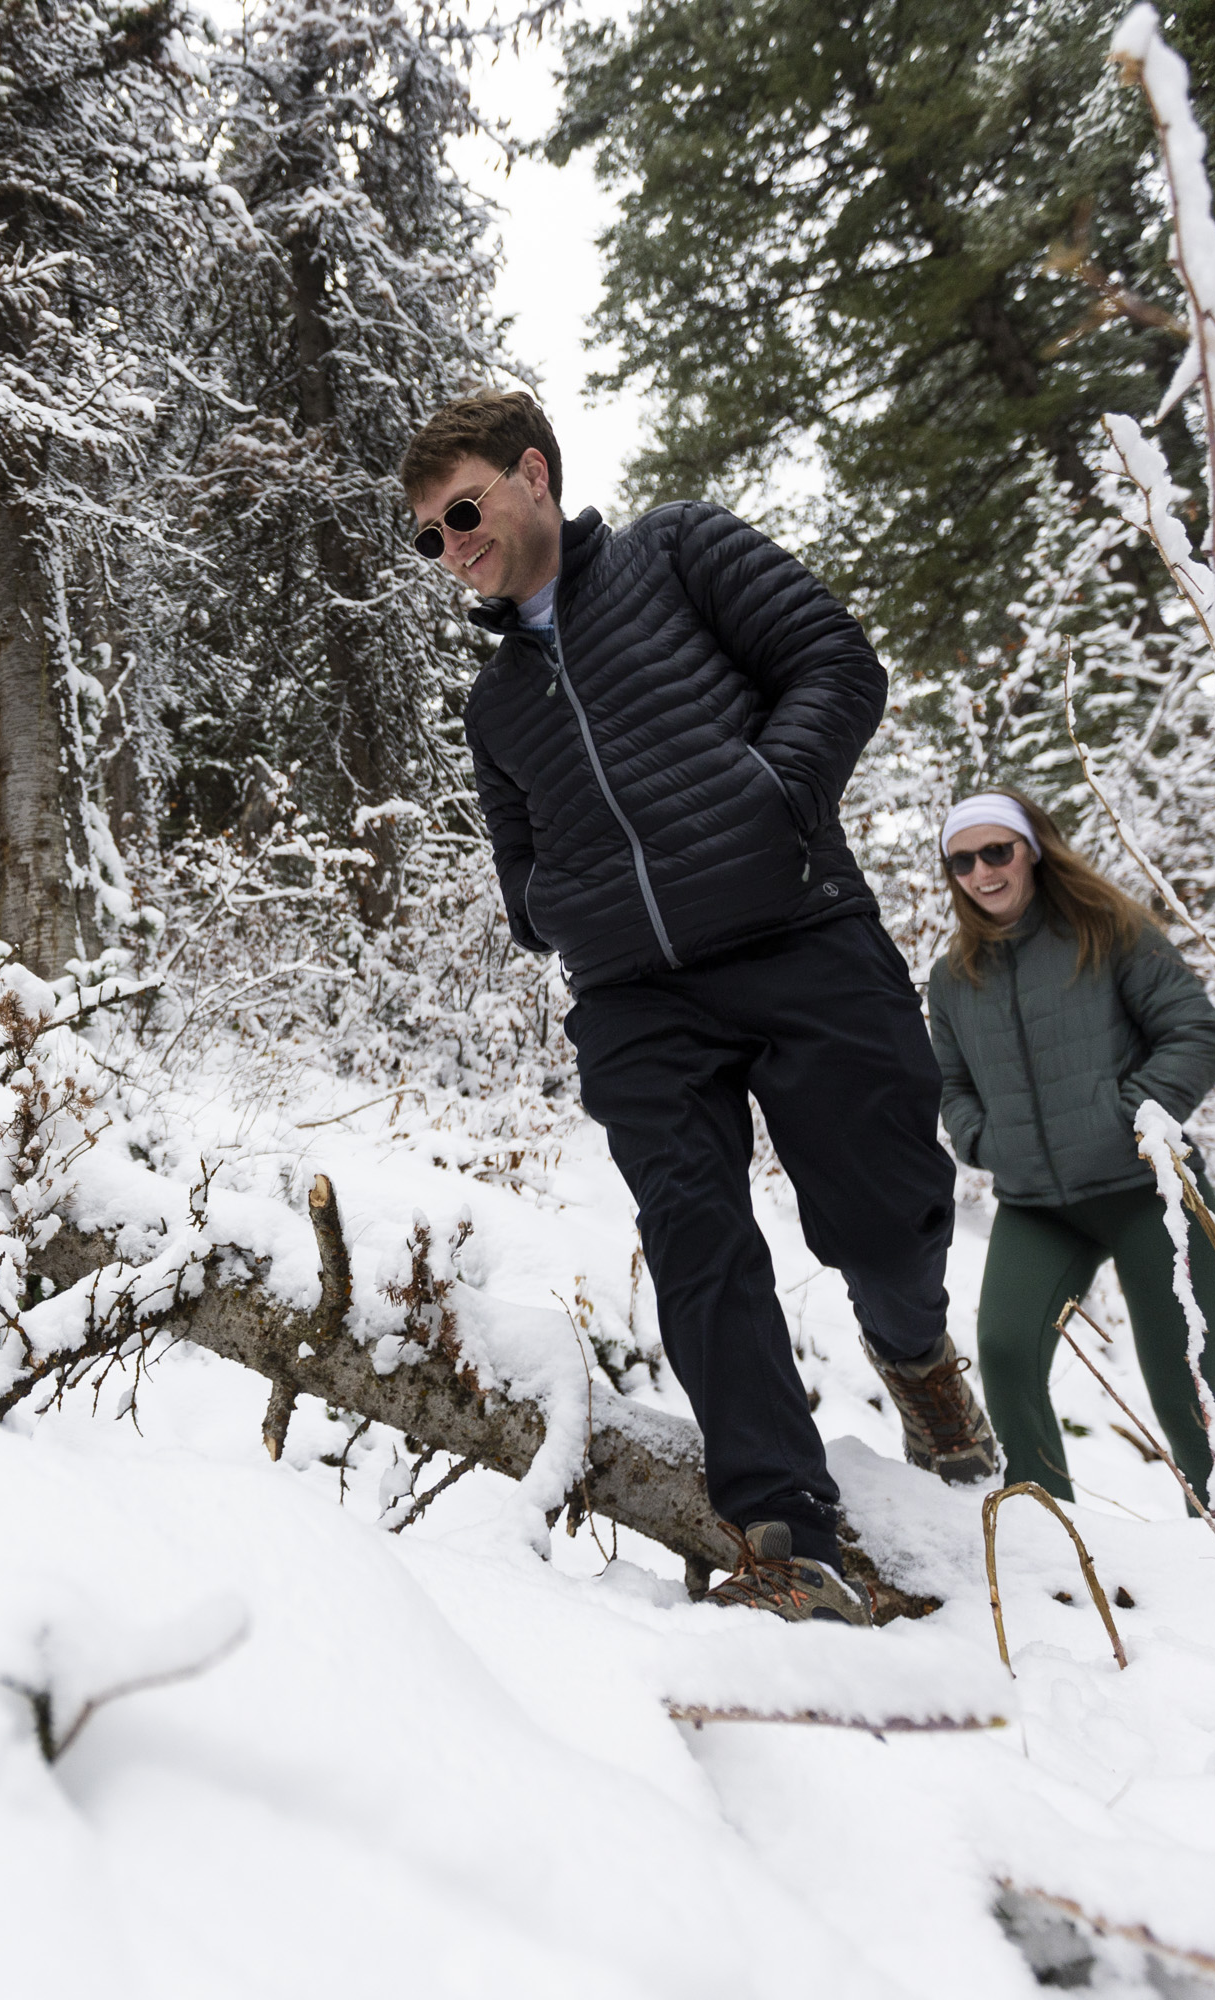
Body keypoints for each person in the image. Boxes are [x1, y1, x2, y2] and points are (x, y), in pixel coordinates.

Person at [403, 390, 997, 1627]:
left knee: (885, 1215)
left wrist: (772, 797)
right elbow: (516, 869)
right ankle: (788, 1534)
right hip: (634, 996)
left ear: (532, 473)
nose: (452, 546)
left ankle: (916, 1350)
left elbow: (838, 661)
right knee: (697, 1238)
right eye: (429, 536)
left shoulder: (681, 549)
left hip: (798, 930)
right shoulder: (496, 704)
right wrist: (556, 905)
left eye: (462, 512)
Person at [926, 787, 1215, 1528]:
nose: (983, 872)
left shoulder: (1109, 931)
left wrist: (1125, 1116)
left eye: (997, 851)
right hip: (1036, 1206)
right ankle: (1053, 1547)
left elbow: (1198, 1036)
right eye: (963, 860)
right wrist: (981, 1139)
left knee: (1186, 1396)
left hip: (1151, 1194)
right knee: (1007, 1354)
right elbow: (951, 1083)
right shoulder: (955, 976)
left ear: (1033, 849)